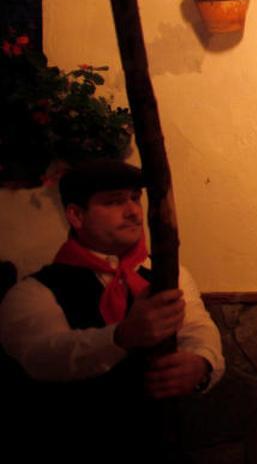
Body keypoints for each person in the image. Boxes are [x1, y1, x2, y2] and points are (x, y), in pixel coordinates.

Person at [0, 159, 224, 460]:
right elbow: (42, 356)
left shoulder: (171, 274)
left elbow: (197, 327)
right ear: (77, 215)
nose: (133, 211)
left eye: (134, 198)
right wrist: (120, 337)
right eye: (114, 202)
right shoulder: (33, 292)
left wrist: (201, 362)